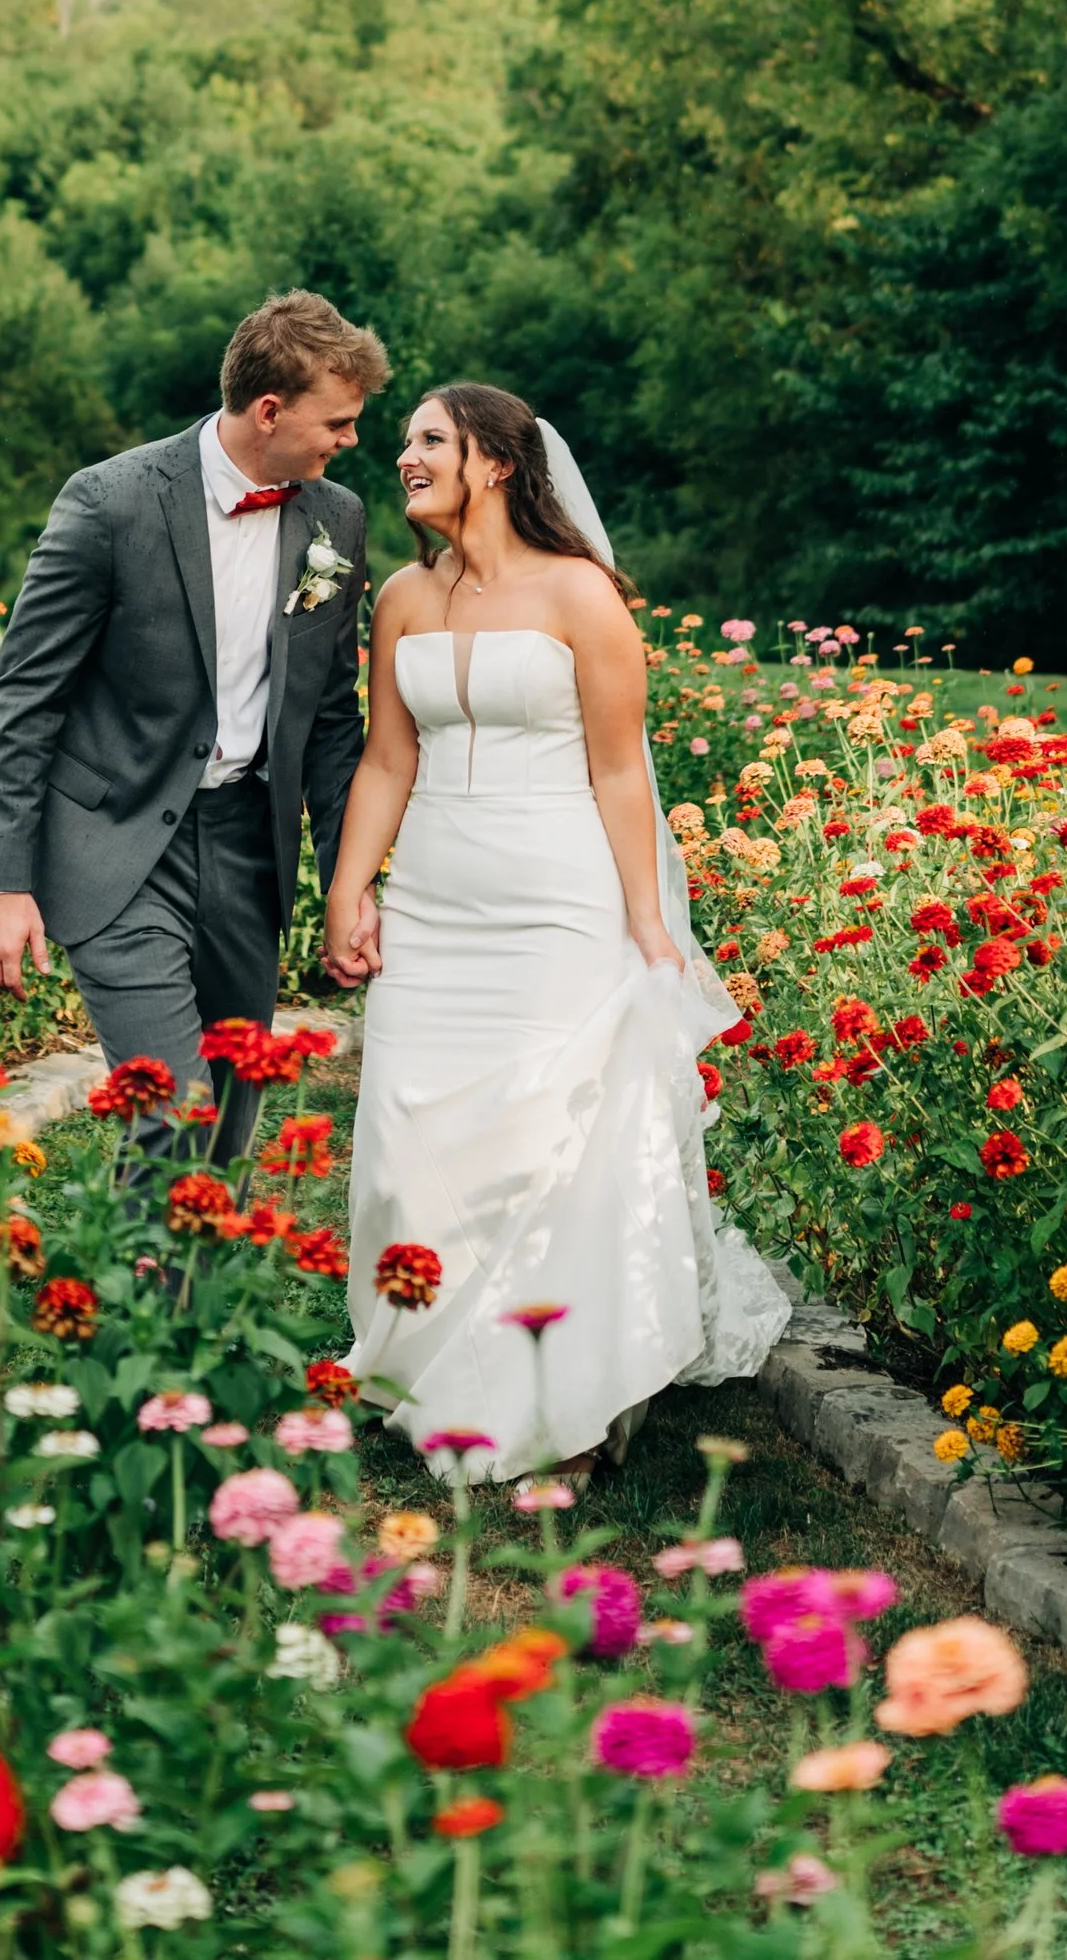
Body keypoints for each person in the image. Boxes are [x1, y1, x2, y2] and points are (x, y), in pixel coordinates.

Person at [323, 382, 789, 1477]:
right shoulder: (399, 597)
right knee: (407, 1139)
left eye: (427, 439)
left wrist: (647, 923)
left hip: (556, 898)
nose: (404, 457)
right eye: (404, 442)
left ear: (490, 460)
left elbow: (620, 767)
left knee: (544, 1144)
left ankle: (562, 1409)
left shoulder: (581, 595)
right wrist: (352, 889)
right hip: (436, 901)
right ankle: (429, 1370)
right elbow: (388, 757)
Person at [0, 289, 384, 1155]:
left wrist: (351, 883)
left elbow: (333, 720)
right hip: (115, 844)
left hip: (246, 845)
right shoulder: (110, 502)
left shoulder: (335, 517)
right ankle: (154, 1287)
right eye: (337, 422)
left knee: (230, 1116)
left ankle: (167, 1288)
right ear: (270, 411)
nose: (350, 440)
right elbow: (24, 697)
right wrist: (3, 884)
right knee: (174, 1113)